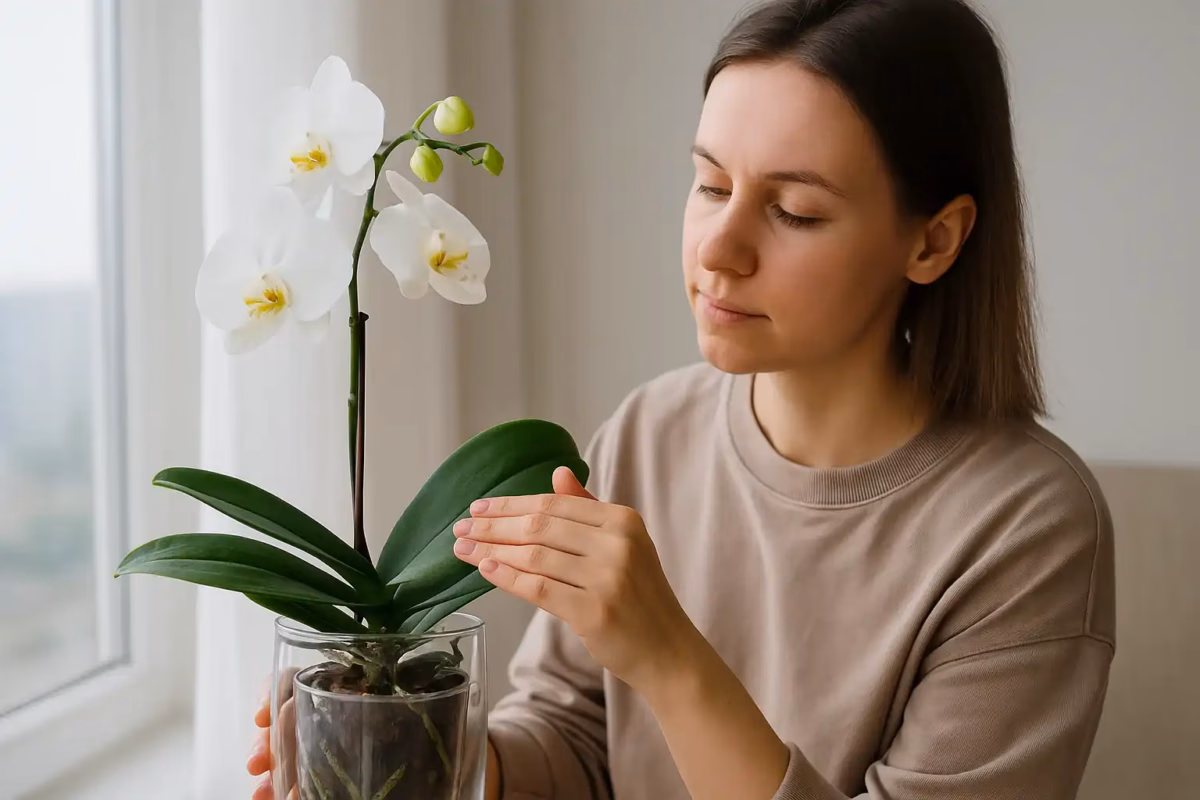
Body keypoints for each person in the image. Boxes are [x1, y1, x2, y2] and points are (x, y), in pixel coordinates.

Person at [248, 0, 1116, 797]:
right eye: (711, 185)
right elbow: (573, 740)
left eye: (795, 211)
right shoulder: (651, 431)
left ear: (934, 240)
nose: (718, 249)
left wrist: (666, 657)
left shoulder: (1025, 526)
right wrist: (410, 747)